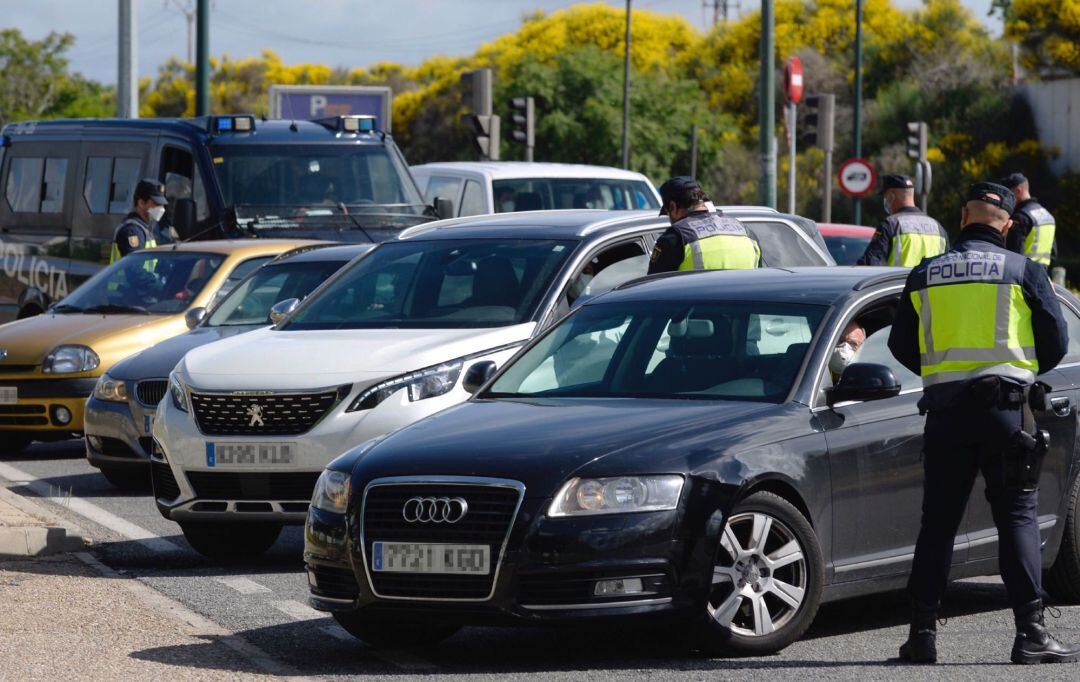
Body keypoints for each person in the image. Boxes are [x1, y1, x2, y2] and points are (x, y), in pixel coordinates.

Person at [887, 181, 1078, 665]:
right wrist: (1018, 367)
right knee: (1016, 516)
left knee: (938, 524)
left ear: (963, 216)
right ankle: (1030, 634)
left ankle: (922, 636)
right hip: (1005, 412)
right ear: (1008, 224)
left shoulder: (926, 273)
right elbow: (1055, 342)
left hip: (946, 413)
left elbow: (900, 346)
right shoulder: (1022, 270)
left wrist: (943, 373)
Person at [647, 176, 760, 275]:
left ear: (672, 206)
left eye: (667, 212)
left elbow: (651, 290)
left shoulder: (675, 238)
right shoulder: (744, 231)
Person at [857, 174, 948, 267]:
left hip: (898, 282)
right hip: (927, 282)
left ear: (891, 196)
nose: (885, 200)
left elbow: (870, 264)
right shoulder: (938, 228)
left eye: (885, 197)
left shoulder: (890, 225)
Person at [1001, 172, 1056, 269]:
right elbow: (1053, 253)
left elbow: (1015, 255)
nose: (1006, 199)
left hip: (1025, 276)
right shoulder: (1048, 216)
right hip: (1043, 275)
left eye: (1008, 194)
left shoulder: (1020, 218)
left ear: (1018, 191)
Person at [111, 179, 167, 263]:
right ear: (141, 203)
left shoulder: (145, 228)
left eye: (162, 204)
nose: (161, 208)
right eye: (156, 204)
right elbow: (134, 268)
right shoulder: (132, 231)